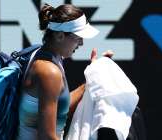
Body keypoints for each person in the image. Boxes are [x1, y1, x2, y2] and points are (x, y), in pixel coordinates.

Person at [16, 3, 113, 140]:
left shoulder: (50, 57)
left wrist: (94, 77)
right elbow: (47, 137)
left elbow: (61, 108)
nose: (81, 44)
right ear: (60, 36)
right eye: (78, 38)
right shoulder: (49, 71)